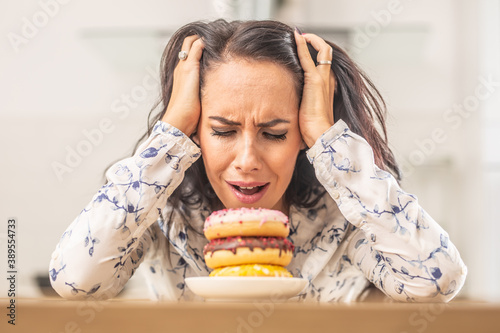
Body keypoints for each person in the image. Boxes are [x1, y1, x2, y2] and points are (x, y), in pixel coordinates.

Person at [49, 19, 467, 302]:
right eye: (223, 131)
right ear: (195, 130)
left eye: (274, 134)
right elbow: (76, 282)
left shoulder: (345, 219)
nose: (247, 160)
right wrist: (171, 130)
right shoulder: (158, 209)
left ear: (303, 135)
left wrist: (330, 140)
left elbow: (437, 280)